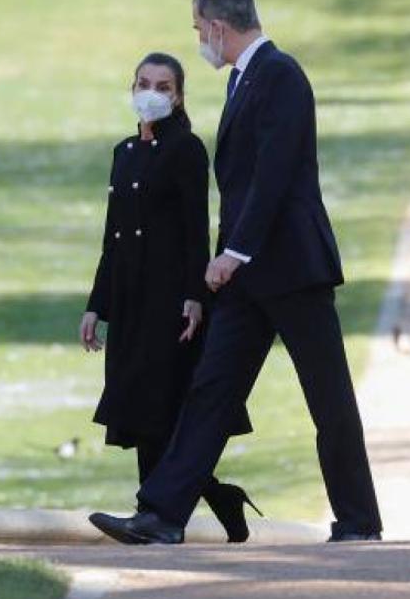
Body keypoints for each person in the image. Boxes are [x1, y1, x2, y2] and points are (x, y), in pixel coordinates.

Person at [89, 0, 382, 545]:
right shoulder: (244, 82)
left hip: (293, 269)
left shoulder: (281, 76)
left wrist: (231, 253)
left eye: (200, 30)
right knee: (211, 391)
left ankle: (358, 521)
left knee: (328, 397)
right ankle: (162, 516)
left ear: (219, 27)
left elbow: (273, 177)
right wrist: (235, 260)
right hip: (249, 280)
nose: (201, 39)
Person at [80, 51, 260, 543]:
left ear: (179, 95)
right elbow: (112, 237)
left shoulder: (186, 149)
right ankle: (213, 497)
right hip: (129, 300)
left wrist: (195, 296)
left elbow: (195, 232)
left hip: (171, 301)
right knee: (139, 408)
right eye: (144, 83)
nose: (152, 93)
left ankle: (153, 516)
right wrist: (97, 304)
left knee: (160, 407)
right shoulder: (123, 152)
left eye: (164, 86)